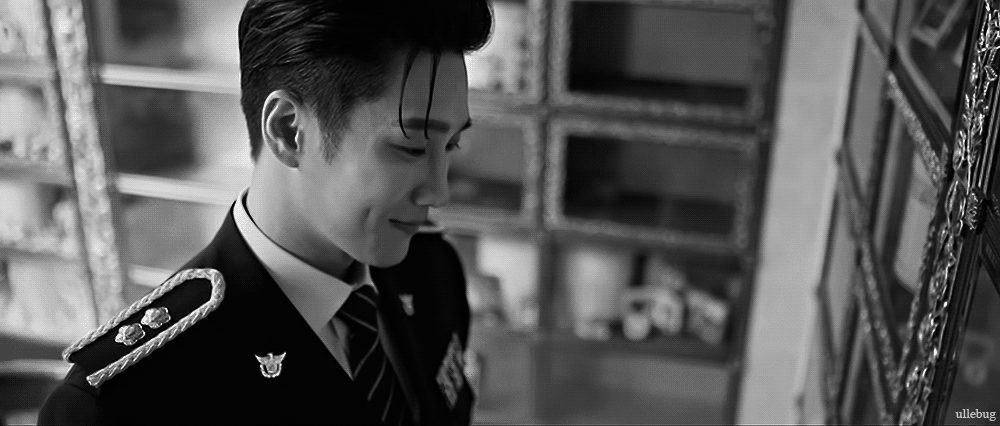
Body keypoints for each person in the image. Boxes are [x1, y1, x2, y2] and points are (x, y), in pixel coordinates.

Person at [38, 0, 492, 423]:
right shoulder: (129, 401)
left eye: (452, 145)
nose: (439, 191)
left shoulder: (431, 272)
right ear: (288, 130)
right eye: (410, 147)